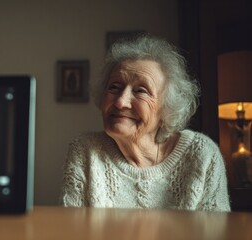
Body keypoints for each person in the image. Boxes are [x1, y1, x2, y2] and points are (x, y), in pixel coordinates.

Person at [60, 34, 230, 211]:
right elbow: (72, 230)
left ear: (166, 109)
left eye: (141, 91)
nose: (120, 102)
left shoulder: (202, 155)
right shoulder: (86, 150)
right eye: (114, 87)